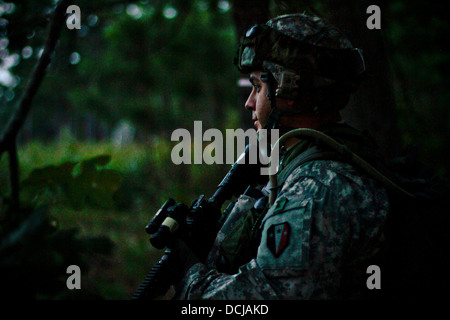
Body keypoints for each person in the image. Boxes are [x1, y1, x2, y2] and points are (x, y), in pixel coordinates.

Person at [170, 13, 390, 300]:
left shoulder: (315, 187)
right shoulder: (318, 160)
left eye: (258, 87)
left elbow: (272, 297)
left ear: (289, 88)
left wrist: (191, 278)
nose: (249, 102)